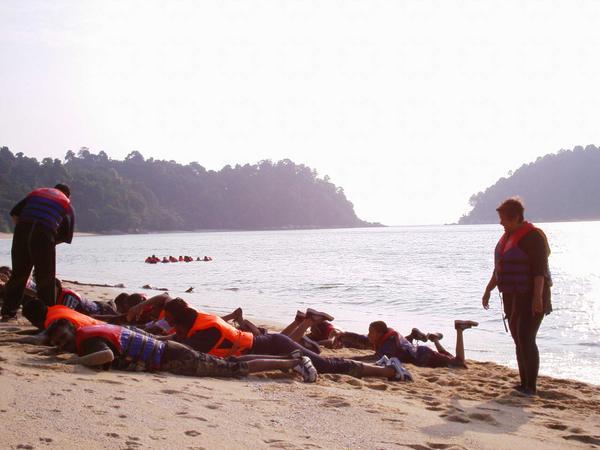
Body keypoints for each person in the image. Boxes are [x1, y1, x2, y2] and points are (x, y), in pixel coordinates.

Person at [163, 300, 412, 381]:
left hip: (273, 344)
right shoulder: (197, 325)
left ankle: (390, 370)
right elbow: (176, 339)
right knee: (327, 362)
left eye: (173, 323)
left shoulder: (205, 333)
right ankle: (385, 367)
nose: (172, 328)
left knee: (327, 366)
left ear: (182, 320)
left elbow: (185, 351)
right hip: (268, 344)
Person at [44, 320, 318, 382]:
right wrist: (54, 353)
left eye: (62, 337)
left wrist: (73, 361)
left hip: (172, 358)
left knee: (234, 369)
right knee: (232, 362)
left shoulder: (89, 343)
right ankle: (286, 361)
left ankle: (292, 361)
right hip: (169, 350)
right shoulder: (92, 331)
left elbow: (106, 356)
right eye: (57, 342)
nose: (62, 343)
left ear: (72, 330)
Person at [482, 197, 552, 395]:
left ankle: (532, 386)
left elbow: (539, 271)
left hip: (531, 296)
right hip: (512, 296)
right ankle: (524, 383)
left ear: (515, 218)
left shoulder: (533, 237)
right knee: (518, 338)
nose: (501, 223)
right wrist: (488, 290)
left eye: (503, 219)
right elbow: (499, 269)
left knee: (526, 337)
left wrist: (537, 298)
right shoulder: (507, 238)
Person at [1, 184, 74, 321]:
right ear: (68, 195)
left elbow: (15, 213)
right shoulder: (66, 204)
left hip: (22, 230)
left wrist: (23, 233)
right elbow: (65, 236)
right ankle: (47, 314)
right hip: (44, 232)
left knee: (18, 274)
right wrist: (47, 243)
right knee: (46, 278)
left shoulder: (38, 194)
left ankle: (8, 312)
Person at [368, 320, 478, 368]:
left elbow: (375, 358)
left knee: (459, 362)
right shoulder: (388, 340)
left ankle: (459, 329)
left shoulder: (388, 344)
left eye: (371, 332)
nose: (368, 335)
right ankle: (435, 340)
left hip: (425, 356)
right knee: (450, 358)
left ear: (380, 333)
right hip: (423, 354)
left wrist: (352, 359)